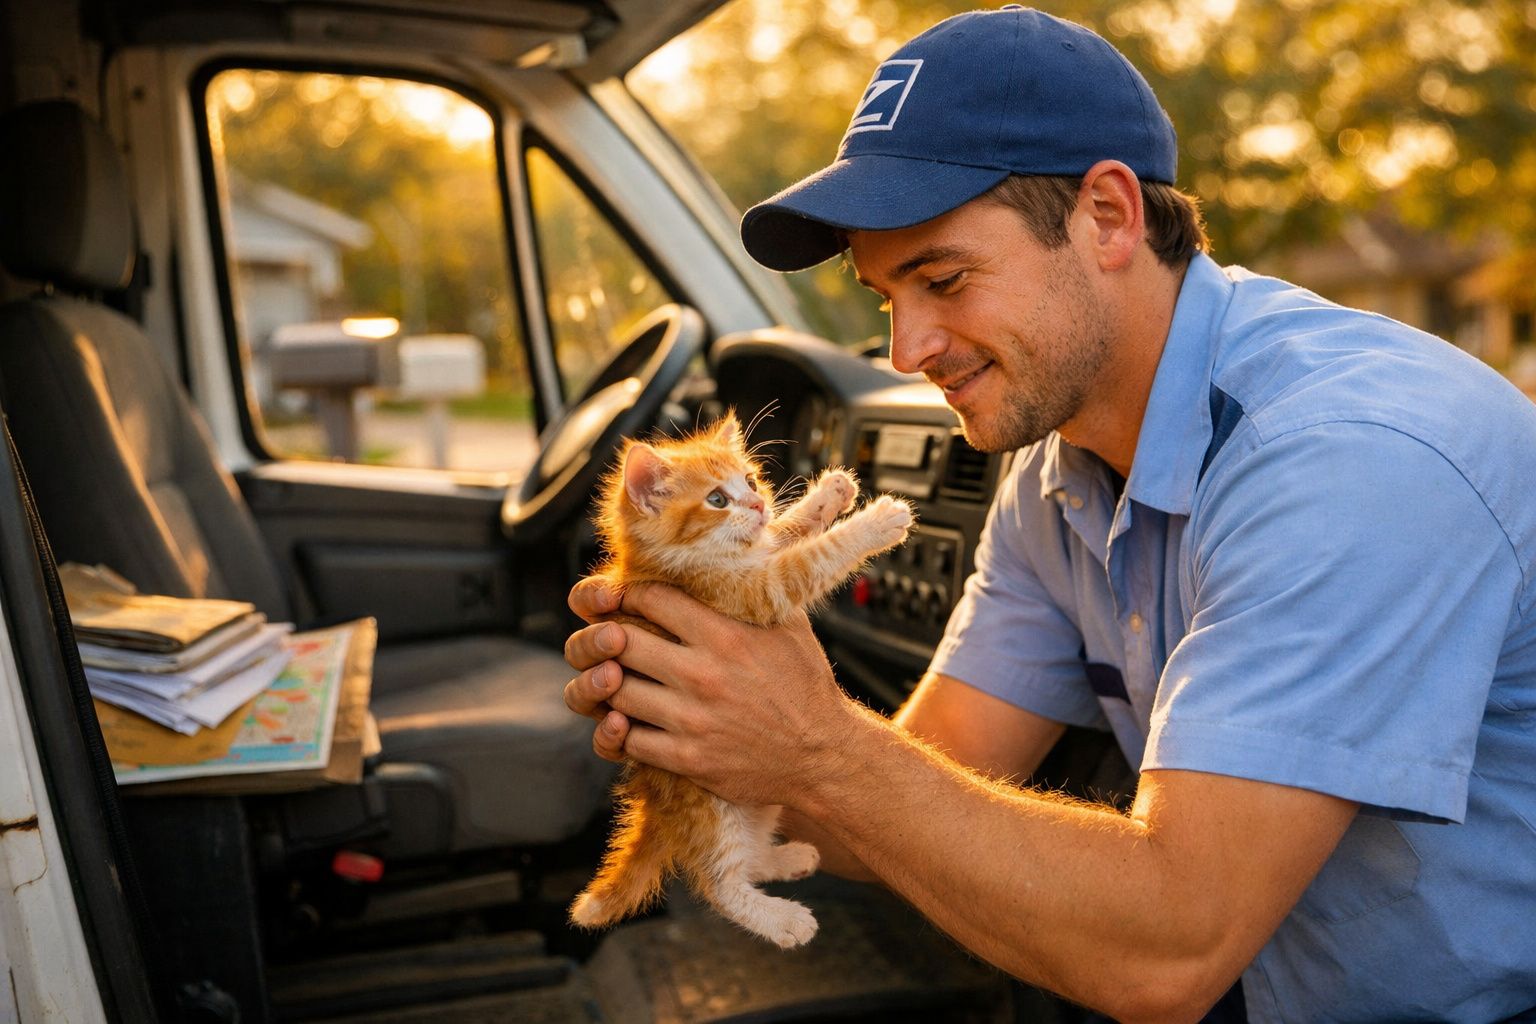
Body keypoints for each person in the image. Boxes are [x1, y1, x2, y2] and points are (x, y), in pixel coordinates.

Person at [563, 7, 1536, 1021]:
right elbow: (924, 783)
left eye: (943, 280)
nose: (906, 351)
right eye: (887, 297)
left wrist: (812, 737)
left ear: (1109, 217)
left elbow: (1170, 947)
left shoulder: (1349, 460)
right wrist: (712, 722)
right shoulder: (1055, 465)